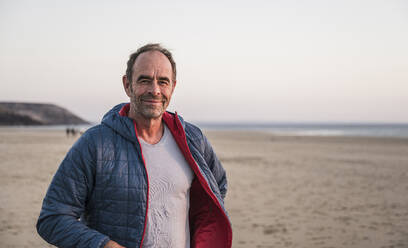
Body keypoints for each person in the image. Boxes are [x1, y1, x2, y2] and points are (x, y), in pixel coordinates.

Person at [36, 43, 232, 248]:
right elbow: (53, 218)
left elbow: (216, 188)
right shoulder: (95, 144)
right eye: (145, 80)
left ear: (173, 86)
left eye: (163, 81)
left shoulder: (192, 139)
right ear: (127, 84)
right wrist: (104, 245)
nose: (155, 90)